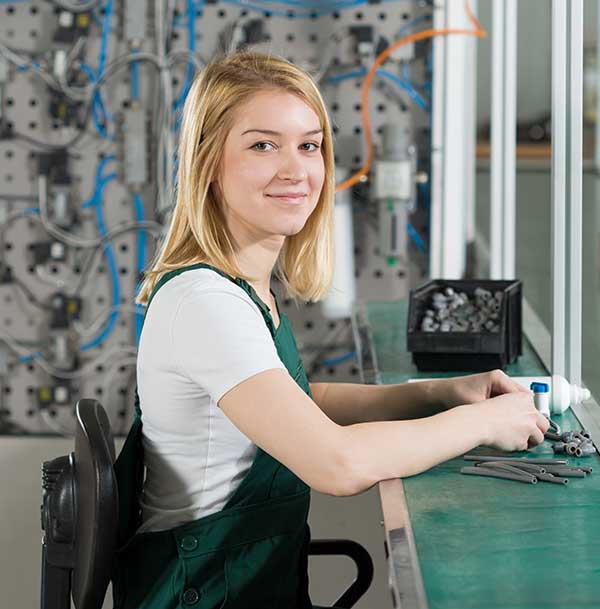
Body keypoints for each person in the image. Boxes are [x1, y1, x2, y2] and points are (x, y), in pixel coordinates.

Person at [112, 50, 550, 609]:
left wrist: (436, 394)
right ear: (208, 165)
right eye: (263, 145)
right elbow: (338, 465)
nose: (296, 169)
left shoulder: (241, 289)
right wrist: (481, 422)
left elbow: (293, 402)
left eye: (310, 145)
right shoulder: (206, 302)